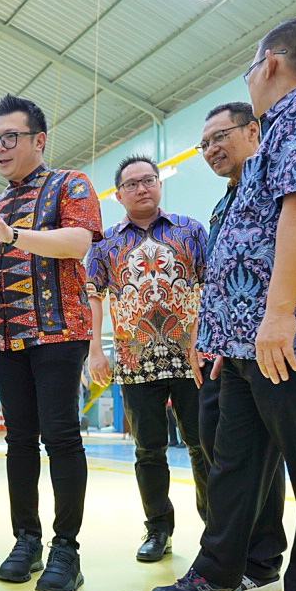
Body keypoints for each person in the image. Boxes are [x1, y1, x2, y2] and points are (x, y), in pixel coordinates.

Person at [150, 18, 296, 591]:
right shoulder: (275, 133)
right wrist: (217, 333)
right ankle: (219, 573)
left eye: (249, 68)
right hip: (244, 341)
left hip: (293, 331)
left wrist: (278, 314)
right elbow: (241, 247)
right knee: (235, 465)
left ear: (270, 62)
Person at [0, 94, 103, 591]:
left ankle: (66, 548)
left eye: (10, 137)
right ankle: (26, 539)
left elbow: (78, 243)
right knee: (18, 441)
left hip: (59, 333)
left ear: (38, 140)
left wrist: (15, 235)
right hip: (7, 339)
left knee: (62, 437)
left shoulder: (71, 184)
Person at [85, 154, 210, 562]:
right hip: (134, 360)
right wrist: (95, 350)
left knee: (203, 445)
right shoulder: (105, 242)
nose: (142, 188)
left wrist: (206, 341)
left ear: (159, 185)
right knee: (148, 450)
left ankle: (216, 531)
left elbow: (211, 288)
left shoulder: (191, 231)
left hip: (190, 357)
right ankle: (158, 529)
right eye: (132, 184)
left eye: (149, 180)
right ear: (119, 195)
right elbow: (93, 298)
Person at [193, 102, 289, 591]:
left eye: (220, 136)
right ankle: (229, 555)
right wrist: (204, 339)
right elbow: (219, 280)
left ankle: (263, 559)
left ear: (253, 131)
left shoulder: (274, 183)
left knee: (260, 457)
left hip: (269, 345)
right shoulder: (224, 204)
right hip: (222, 350)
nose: (212, 149)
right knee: (224, 453)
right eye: (204, 143)